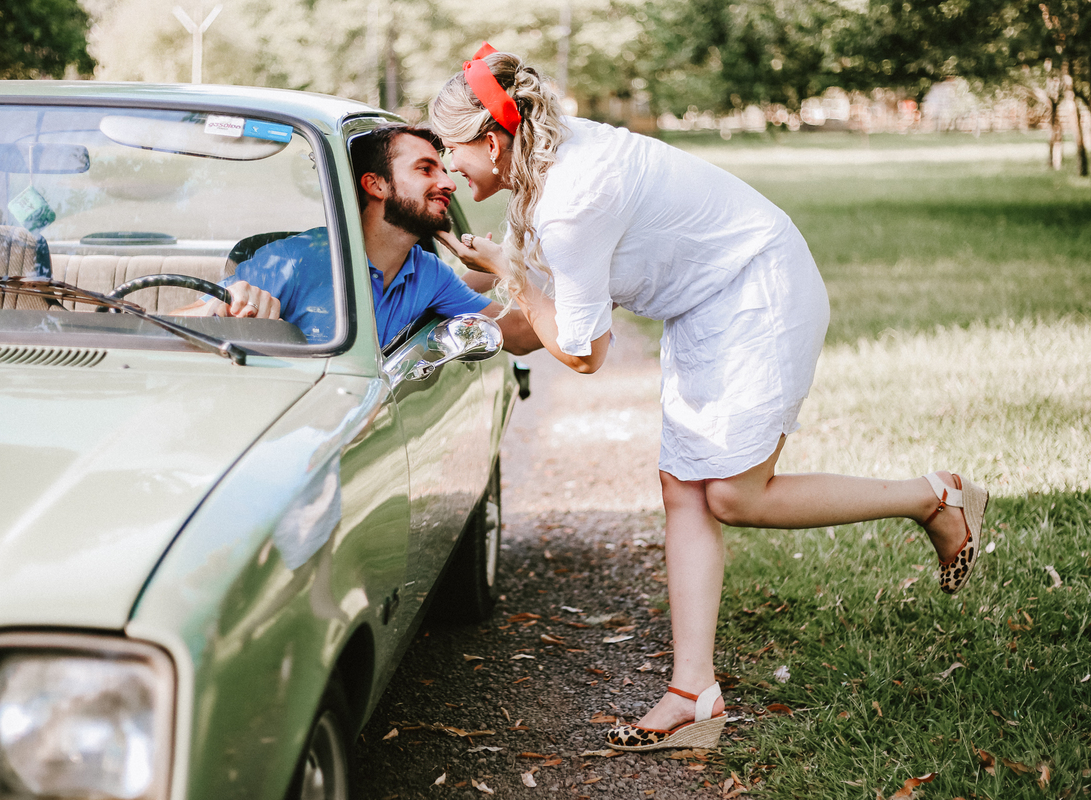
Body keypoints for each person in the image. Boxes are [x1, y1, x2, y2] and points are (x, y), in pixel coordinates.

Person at [430, 44, 988, 752]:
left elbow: (583, 352)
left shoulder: (569, 201)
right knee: (683, 488)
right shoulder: (538, 183)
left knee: (732, 493)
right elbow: (527, 329)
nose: (450, 168)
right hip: (703, 309)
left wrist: (514, 279)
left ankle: (934, 496)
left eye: (451, 151)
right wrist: (443, 325)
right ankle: (694, 694)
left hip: (758, 289)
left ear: (492, 138)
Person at [175, 124, 539, 354]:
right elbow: (189, 319)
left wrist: (505, 267)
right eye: (426, 169)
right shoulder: (297, 258)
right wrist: (231, 303)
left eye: (444, 170)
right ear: (375, 184)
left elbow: (522, 335)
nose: (448, 183)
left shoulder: (429, 274)